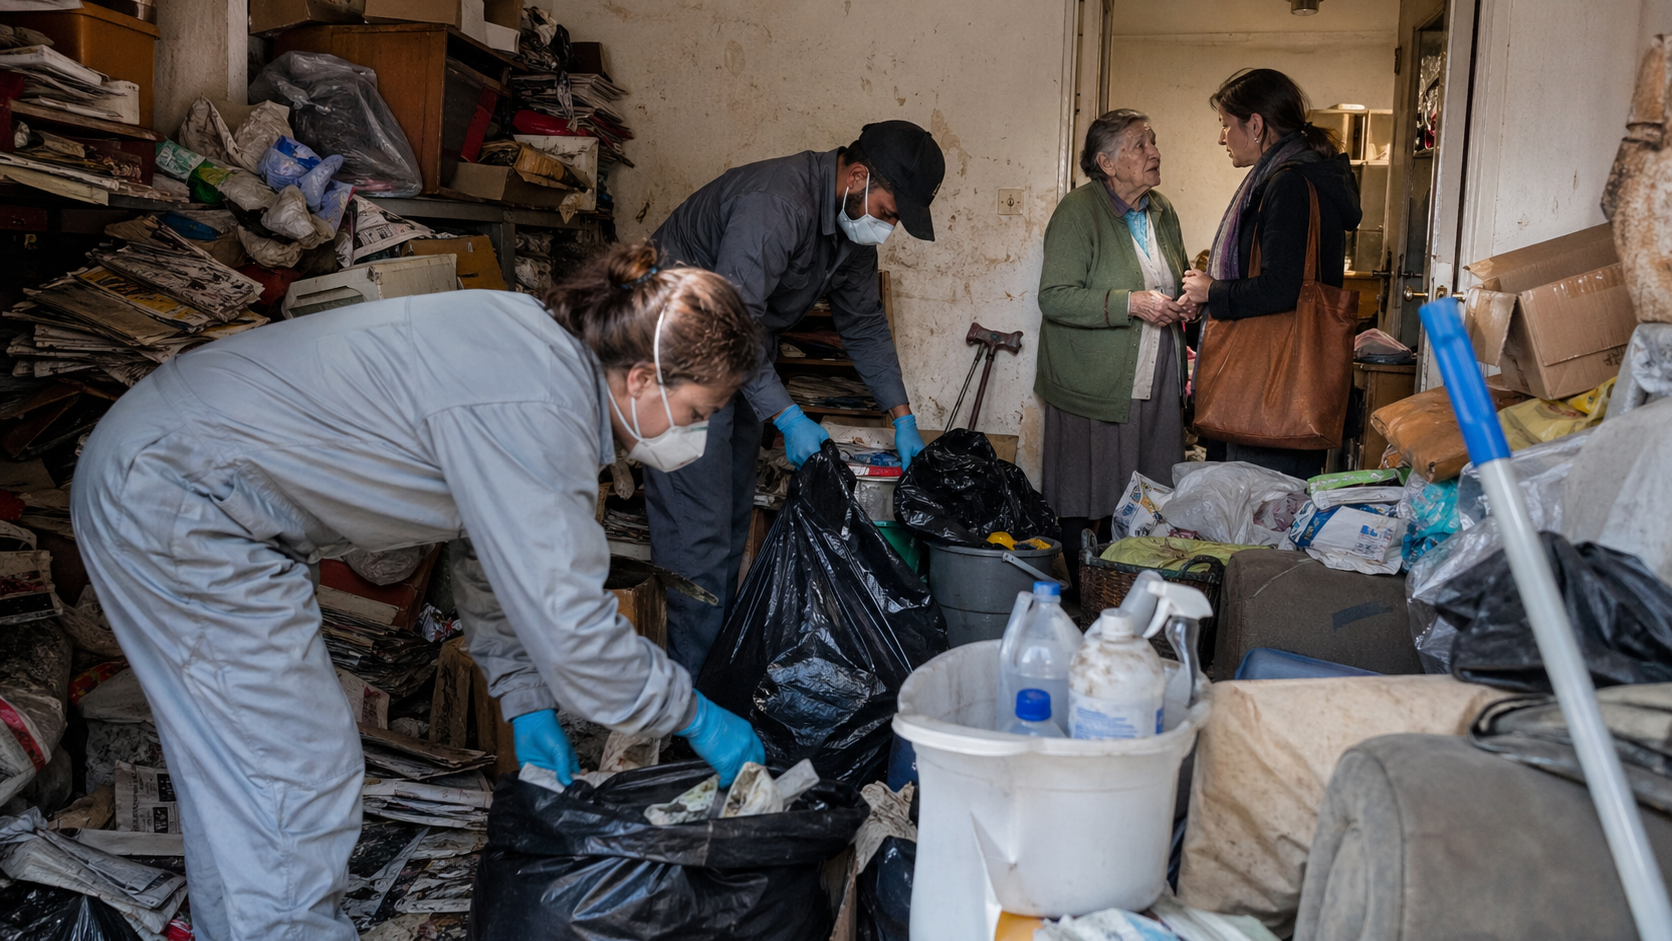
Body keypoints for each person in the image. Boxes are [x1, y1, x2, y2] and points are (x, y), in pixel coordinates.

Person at [70, 242, 769, 941]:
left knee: (250, 790)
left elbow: (485, 553)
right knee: (290, 777)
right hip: (183, 497)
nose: (698, 436)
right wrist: (697, 717)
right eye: (698, 408)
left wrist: (524, 702)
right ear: (644, 378)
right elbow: (578, 638)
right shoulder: (538, 401)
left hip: (193, 486)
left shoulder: (542, 357)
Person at [648, 120, 946, 673]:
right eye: (888, 212)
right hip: (677, 354)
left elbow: (863, 324)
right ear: (857, 176)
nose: (888, 227)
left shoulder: (849, 224)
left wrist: (902, 416)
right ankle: (685, 711)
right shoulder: (776, 203)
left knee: (733, 519)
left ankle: (716, 681)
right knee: (699, 534)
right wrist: (787, 415)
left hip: (735, 353)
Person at [1180, 68, 1362, 479]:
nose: (1221, 137)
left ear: (1256, 125)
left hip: (1273, 394)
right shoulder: (1302, 174)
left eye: (1226, 125)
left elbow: (1283, 288)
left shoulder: (1289, 184)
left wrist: (1214, 290)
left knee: (1255, 523)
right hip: (1280, 390)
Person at [1036, 109, 1194, 580]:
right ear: (1106, 163)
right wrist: (1132, 303)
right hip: (1094, 380)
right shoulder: (1078, 212)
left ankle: (1137, 587)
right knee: (1086, 488)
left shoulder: (1162, 211)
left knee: (1152, 487)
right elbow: (1055, 297)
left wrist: (1188, 302)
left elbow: (1177, 274)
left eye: (1153, 142)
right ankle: (1091, 592)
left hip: (1157, 374)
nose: (1154, 152)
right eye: (1140, 145)